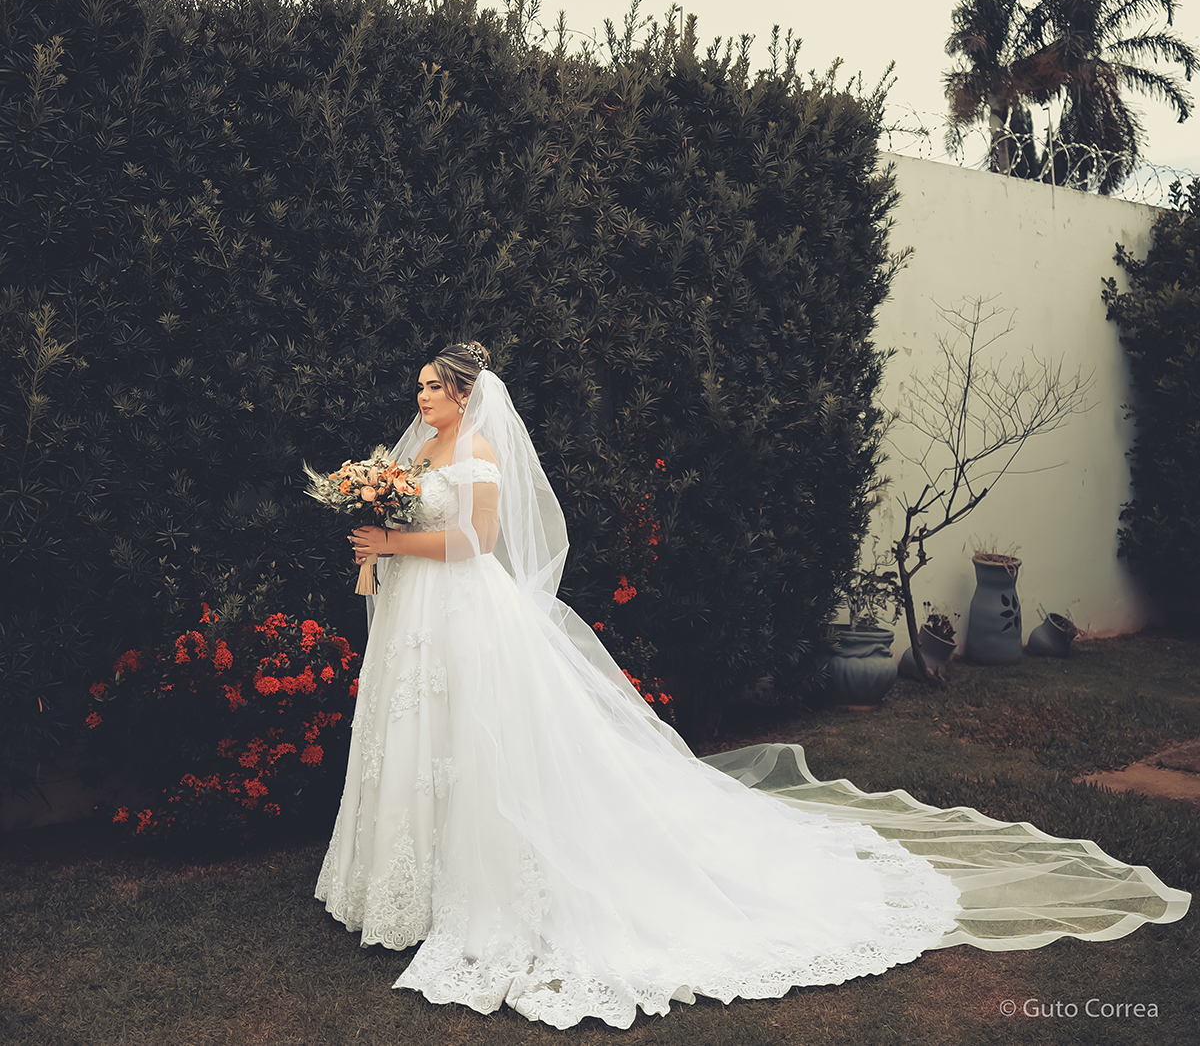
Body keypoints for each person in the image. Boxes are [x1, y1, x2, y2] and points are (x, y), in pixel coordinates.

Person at [315, 343, 1188, 1029]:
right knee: (418, 736)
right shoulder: (420, 448)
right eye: (419, 387)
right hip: (418, 615)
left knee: (472, 742)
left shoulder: (476, 451)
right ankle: (400, 888)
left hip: (466, 611)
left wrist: (389, 543)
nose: (420, 396)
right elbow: (414, 517)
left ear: (465, 395)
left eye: (432, 387)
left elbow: (476, 541)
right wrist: (379, 530)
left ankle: (475, 886)